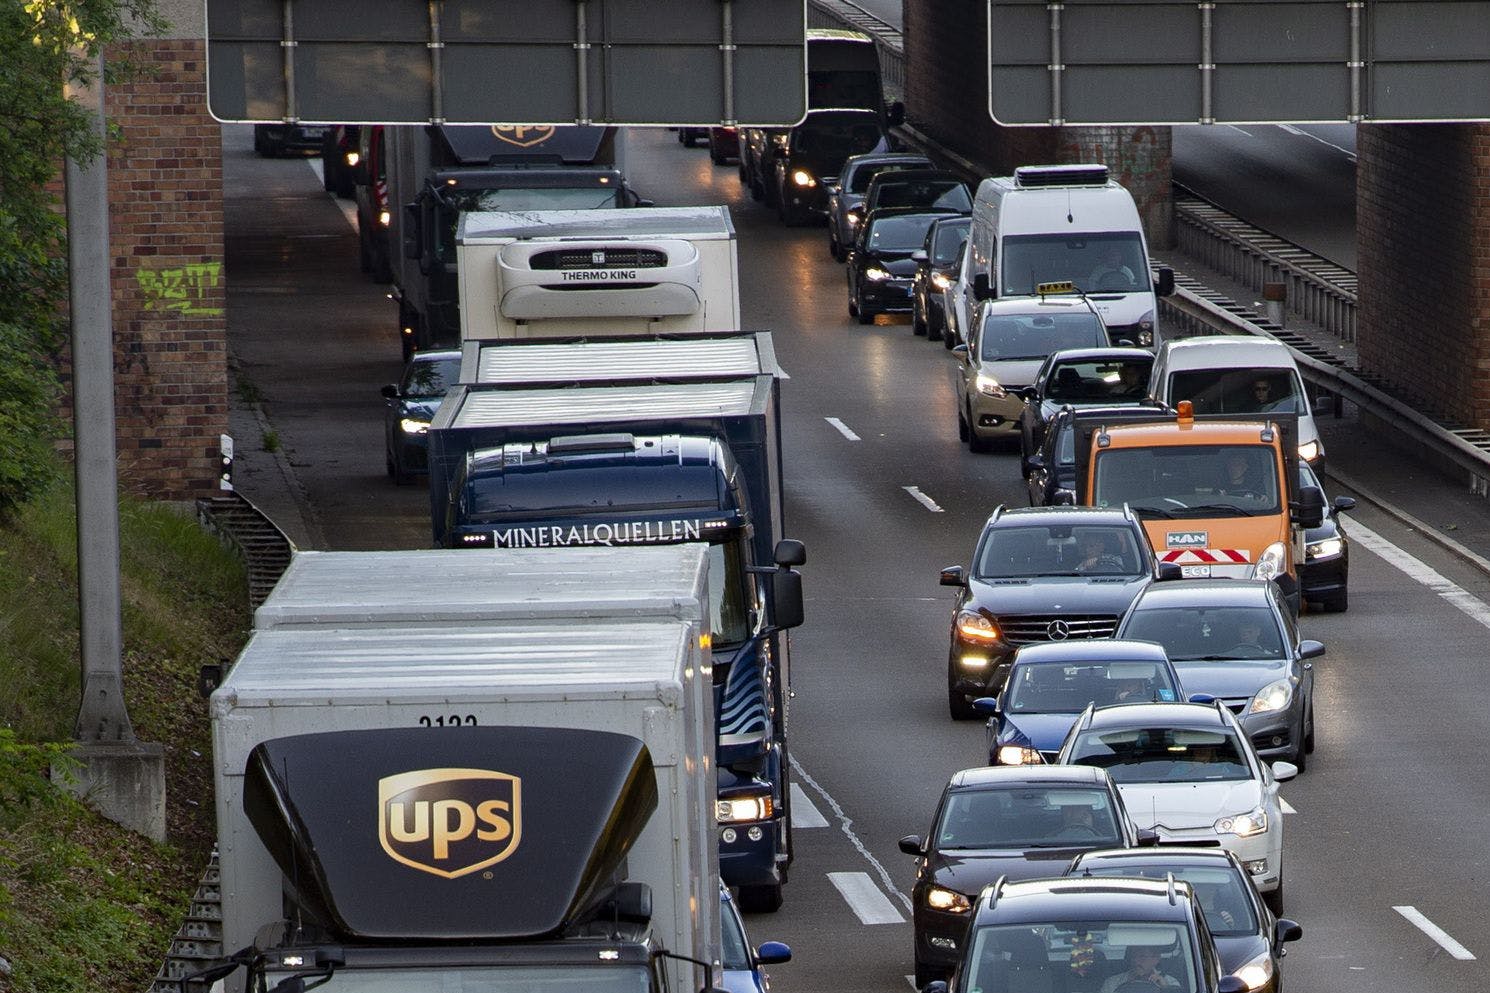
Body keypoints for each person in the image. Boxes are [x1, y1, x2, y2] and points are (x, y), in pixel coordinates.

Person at [1099, 946, 1181, 993]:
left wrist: (1166, 989)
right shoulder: (1112, 983)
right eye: (1133, 956)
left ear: (1156, 959)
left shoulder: (1170, 982)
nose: (1136, 960)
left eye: (1142, 956)